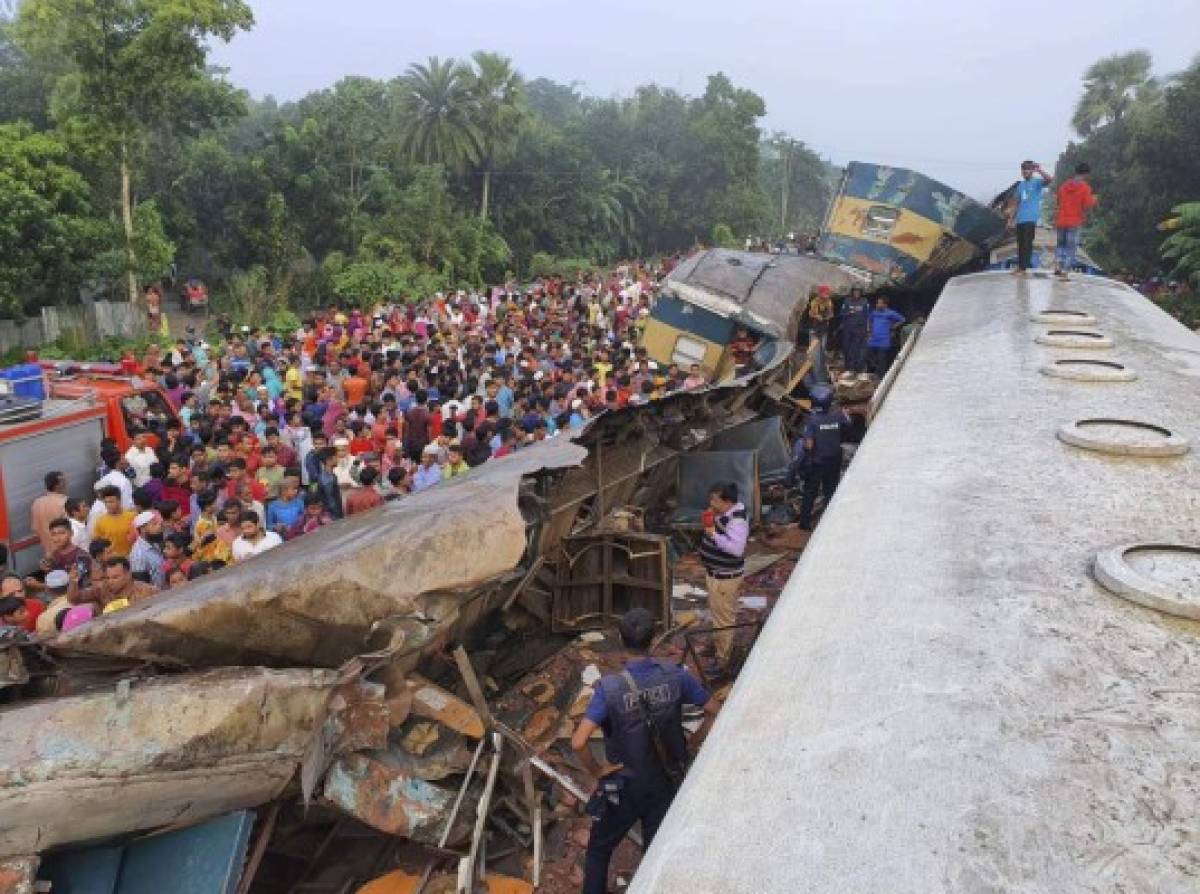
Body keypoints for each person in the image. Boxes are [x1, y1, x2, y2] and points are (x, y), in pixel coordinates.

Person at [571, 608, 719, 894]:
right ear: (653, 640)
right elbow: (714, 710)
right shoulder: (676, 675)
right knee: (655, 853)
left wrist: (598, 770)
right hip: (665, 780)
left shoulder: (608, 689)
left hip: (623, 784)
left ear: (619, 639)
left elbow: (578, 742)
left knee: (600, 849)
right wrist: (693, 742)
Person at [696, 482, 749, 670]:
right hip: (715, 574)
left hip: (725, 578)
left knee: (724, 619)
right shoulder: (724, 515)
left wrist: (713, 535)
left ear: (726, 502)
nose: (710, 502)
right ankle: (718, 646)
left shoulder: (737, 521)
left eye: (714, 499)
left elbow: (736, 549)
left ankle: (723, 660)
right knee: (718, 614)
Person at [798, 386, 851, 530]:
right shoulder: (838, 415)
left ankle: (804, 524)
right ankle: (831, 522)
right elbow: (848, 424)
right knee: (831, 491)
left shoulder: (812, 421)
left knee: (810, 492)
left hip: (817, 462)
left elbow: (809, 445)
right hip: (834, 460)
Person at [1054, 162, 1098, 279]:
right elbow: (1087, 204)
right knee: (1071, 248)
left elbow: (1058, 201)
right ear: (1086, 174)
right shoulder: (1085, 188)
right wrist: (1094, 199)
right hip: (1074, 221)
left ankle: (1058, 265)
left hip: (1061, 220)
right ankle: (1065, 272)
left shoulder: (1063, 186)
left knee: (1060, 244)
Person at [1010, 160, 1053, 274]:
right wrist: (1010, 220)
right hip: (1020, 219)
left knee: (1027, 244)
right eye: (1023, 169)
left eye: (1027, 169)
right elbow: (1016, 203)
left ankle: (1024, 268)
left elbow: (1049, 180)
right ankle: (1021, 267)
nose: (1025, 171)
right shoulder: (1020, 185)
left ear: (1032, 171)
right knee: (1020, 244)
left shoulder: (1037, 182)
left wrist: (1039, 170)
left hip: (1031, 218)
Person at [30, 470, 69, 555]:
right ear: (57, 485)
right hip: (66, 553)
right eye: (64, 481)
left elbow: (35, 529)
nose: (67, 484)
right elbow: (72, 529)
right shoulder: (64, 502)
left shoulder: (36, 503)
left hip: (48, 553)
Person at [91, 485, 136, 558]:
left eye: (111, 502)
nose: (108, 505)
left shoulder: (132, 517)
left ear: (119, 500)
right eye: (106, 502)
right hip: (112, 562)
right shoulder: (100, 521)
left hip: (131, 558)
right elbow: (95, 542)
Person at [867, 297, 905, 377]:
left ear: (885, 304)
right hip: (873, 339)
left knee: (882, 359)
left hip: (884, 340)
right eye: (877, 303)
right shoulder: (874, 313)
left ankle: (881, 376)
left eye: (880, 303)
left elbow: (902, 319)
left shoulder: (891, 313)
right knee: (869, 355)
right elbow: (869, 320)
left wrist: (893, 326)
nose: (878, 305)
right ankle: (873, 373)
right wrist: (869, 331)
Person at [839, 287, 871, 382]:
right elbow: (841, 313)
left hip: (861, 329)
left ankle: (860, 371)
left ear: (861, 292)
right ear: (852, 292)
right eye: (855, 291)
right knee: (847, 349)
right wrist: (849, 312)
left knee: (860, 349)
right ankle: (849, 369)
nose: (857, 293)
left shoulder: (865, 301)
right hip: (848, 329)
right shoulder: (847, 301)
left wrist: (868, 329)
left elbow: (868, 315)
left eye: (858, 291)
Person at [128, 511, 166, 589]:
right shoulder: (138, 555)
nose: (159, 527)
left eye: (158, 524)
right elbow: (141, 585)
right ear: (143, 530)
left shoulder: (154, 542)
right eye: (154, 524)